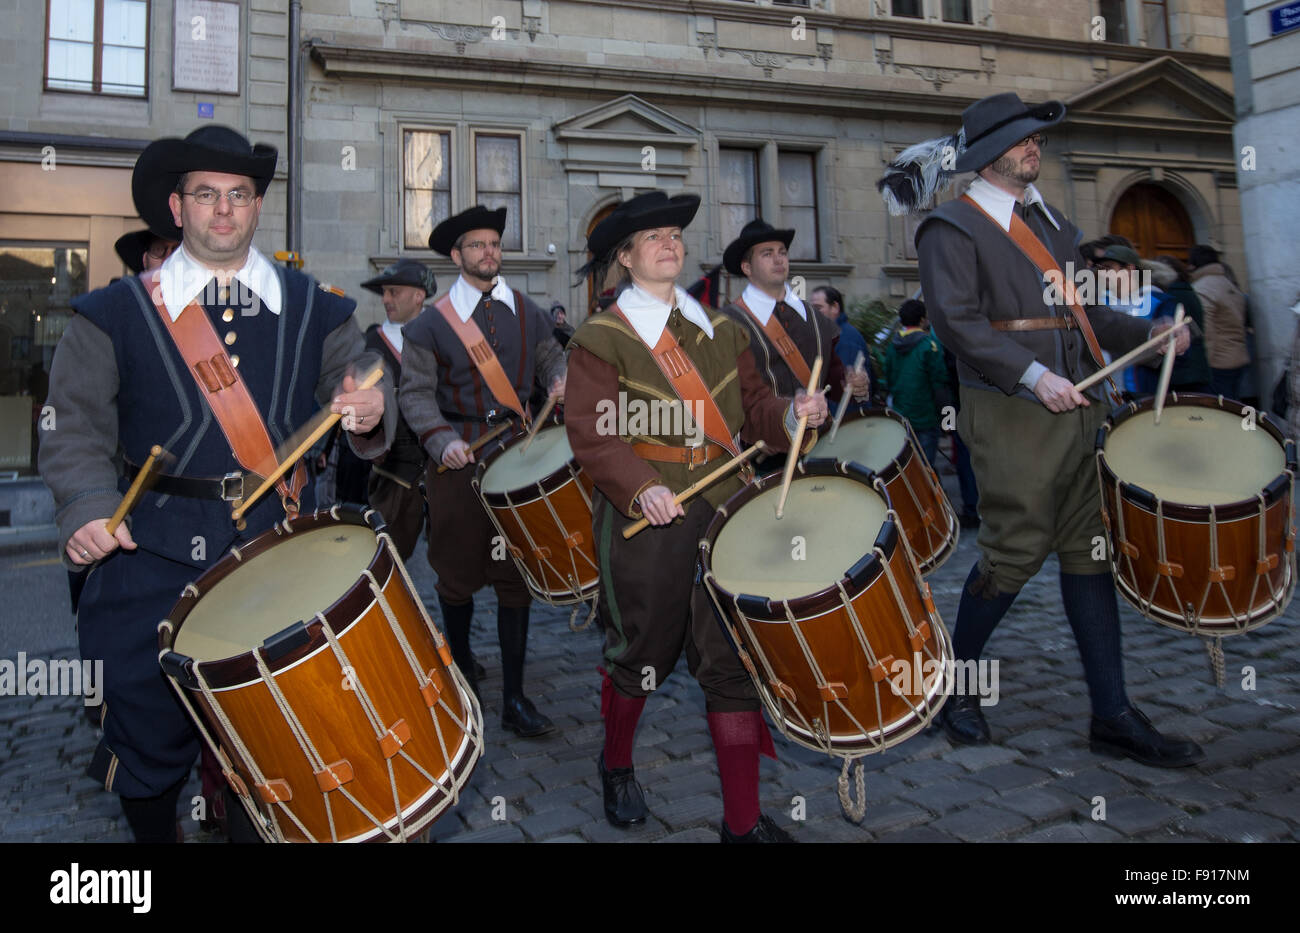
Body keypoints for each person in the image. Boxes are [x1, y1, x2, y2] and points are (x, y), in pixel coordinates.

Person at [39, 125, 393, 842]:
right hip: (148, 558)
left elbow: (355, 384)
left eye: (239, 195)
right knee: (146, 744)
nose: (224, 210)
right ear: (177, 208)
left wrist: (366, 410)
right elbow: (71, 425)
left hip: (275, 556)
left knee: (273, 744)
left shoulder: (315, 307)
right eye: (206, 195)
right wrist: (86, 504)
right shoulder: (112, 314)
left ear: (258, 207)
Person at [881, 92, 1202, 768]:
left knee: (1090, 552)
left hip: (1080, 405)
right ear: (993, 154)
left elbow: (1081, 313)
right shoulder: (950, 228)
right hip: (1011, 411)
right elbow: (958, 326)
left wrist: (1149, 329)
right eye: (1026, 139)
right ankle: (957, 688)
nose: (1037, 148)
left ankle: (1111, 714)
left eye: (1036, 139)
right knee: (1013, 553)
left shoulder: (1053, 224)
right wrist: (1031, 374)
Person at [564, 191, 829, 842]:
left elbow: (759, 414)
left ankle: (741, 822)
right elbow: (594, 436)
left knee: (732, 662)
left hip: (725, 511)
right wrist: (642, 485)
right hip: (649, 520)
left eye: (675, 234)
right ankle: (617, 761)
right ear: (624, 258)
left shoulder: (724, 331)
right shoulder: (601, 338)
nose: (669, 243)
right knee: (643, 655)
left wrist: (793, 416)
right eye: (652, 237)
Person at [399, 204, 565, 738]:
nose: (488, 252)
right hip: (457, 457)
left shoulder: (528, 310)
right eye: (477, 245)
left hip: (517, 453)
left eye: (494, 243)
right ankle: (463, 669)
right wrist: (440, 438)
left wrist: (560, 380)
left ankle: (515, 698)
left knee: (517, 575)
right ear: (457, 256)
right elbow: (416, 393)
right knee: (456, 572)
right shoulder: (429, 323)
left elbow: (550, 363)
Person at [720, 219, 868, 408]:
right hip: (758, 437)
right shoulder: (728, 322)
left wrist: (852, 384)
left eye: (782, 252)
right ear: (747, 267)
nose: (778, 259)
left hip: (816, 435)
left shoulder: (815, 318)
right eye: (767, 254)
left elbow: (833, 376)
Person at [357, 258, 436, 560]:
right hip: (392, 478)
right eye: (384, 293)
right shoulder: (370, 345)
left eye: (394, 292)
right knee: (387, 562)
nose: (386, 299)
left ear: (418, 296)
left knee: (453, 571)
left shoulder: (441, 339)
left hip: (441, 471)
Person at [882, 298, 950, 467]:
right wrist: (948, 420)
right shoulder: (929, 346)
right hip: (926, 418)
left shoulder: (892, 346)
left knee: (908, 468)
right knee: (927, 468)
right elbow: (940, 385)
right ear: (922, 320)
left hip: (901, 417)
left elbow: (888, 381)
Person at [1188, 244, 1250, 400]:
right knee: (1234, 408)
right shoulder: (1229, 284)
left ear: (1193, 265)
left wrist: (1202, 368)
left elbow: (1206, 332)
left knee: (1220, 413)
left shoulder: (1202, 288)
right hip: (1238, 357)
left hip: (1217, 364)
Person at [809, 284, 872, 415]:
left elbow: (845, 391)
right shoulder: (830, 335)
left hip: (845, 424)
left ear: (835, 307)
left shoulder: (846, 340)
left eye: (818, 308)